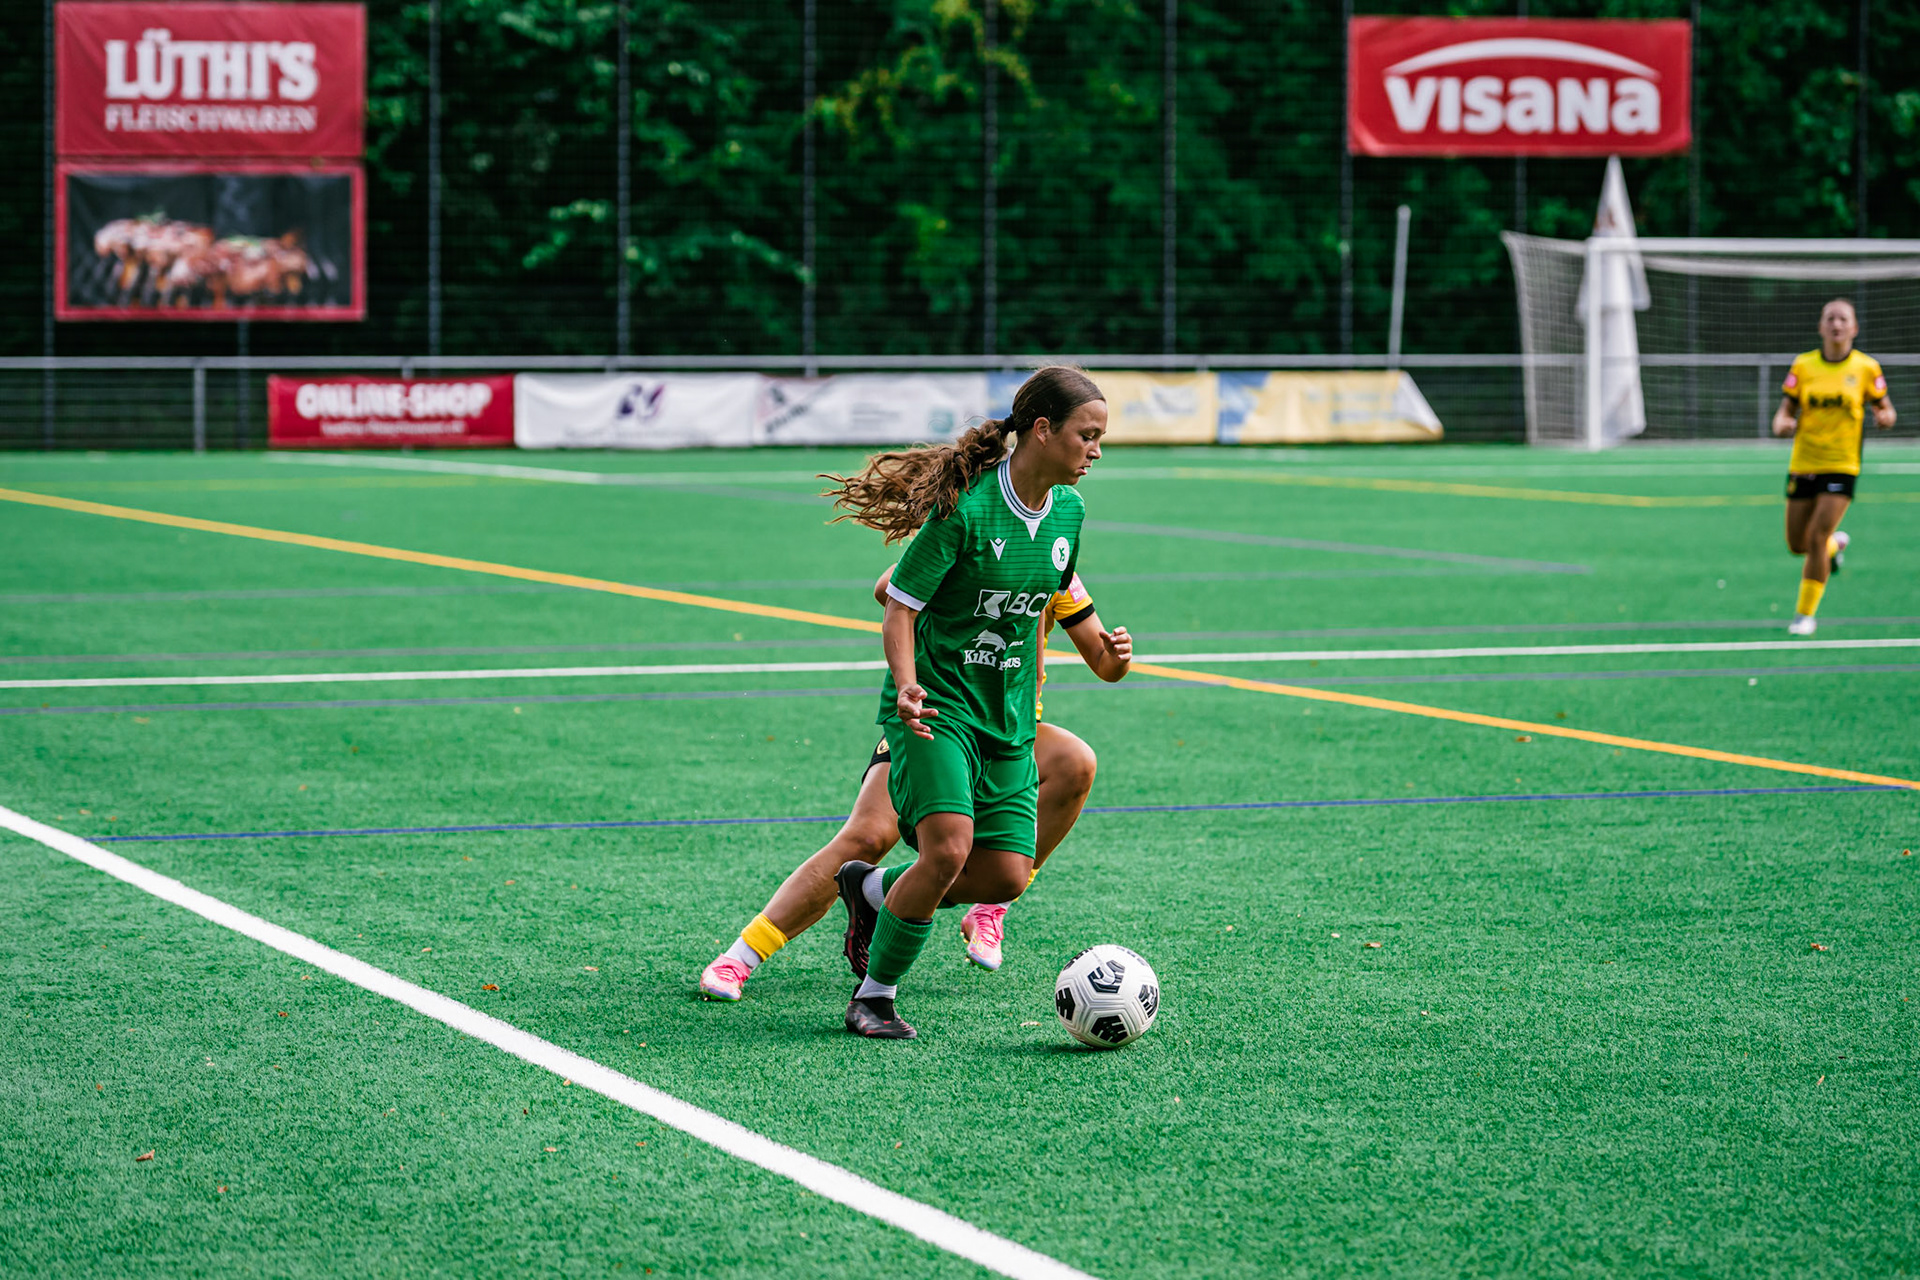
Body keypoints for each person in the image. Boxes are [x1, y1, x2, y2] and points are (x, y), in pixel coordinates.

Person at [821, 365, 1118, 1039]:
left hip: (1008, 717)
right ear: (1042, 431)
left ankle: (873, 890)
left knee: (1008, 875)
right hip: (938, 707)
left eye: (1101, 438)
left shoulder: (1069, 513)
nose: (1096, 450)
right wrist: (904, 684)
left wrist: (1110, 648)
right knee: (950, 848)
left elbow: (1060, 601)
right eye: (1087, 435)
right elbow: (897, 603)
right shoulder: (967, 509)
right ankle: (875, 997)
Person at [697, 562, 1129, 1000]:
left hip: (1007, 739)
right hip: (936, 723)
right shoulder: (972, 537)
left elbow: (1104, 662)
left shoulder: (1051, 558)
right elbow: (888, 590)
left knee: (1075, 762)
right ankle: (743, 955)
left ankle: (986, 907)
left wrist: (1116, 654)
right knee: (867, 838)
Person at [1772, 298, 1897, 636]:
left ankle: (1804, 616)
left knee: (1815, 535)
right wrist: (1782, 423)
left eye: (1843, 319)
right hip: (1804, 464)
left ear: (1854, 328)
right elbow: (1785, 411)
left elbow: (1886, 408)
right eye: (1830, 318)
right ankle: (1833, 548)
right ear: (1820, 327)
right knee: (1797, 544)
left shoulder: (1866, 368)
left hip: (1842, 465)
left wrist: (1885, 417)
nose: (1836, 324)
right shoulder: (1804, 365)